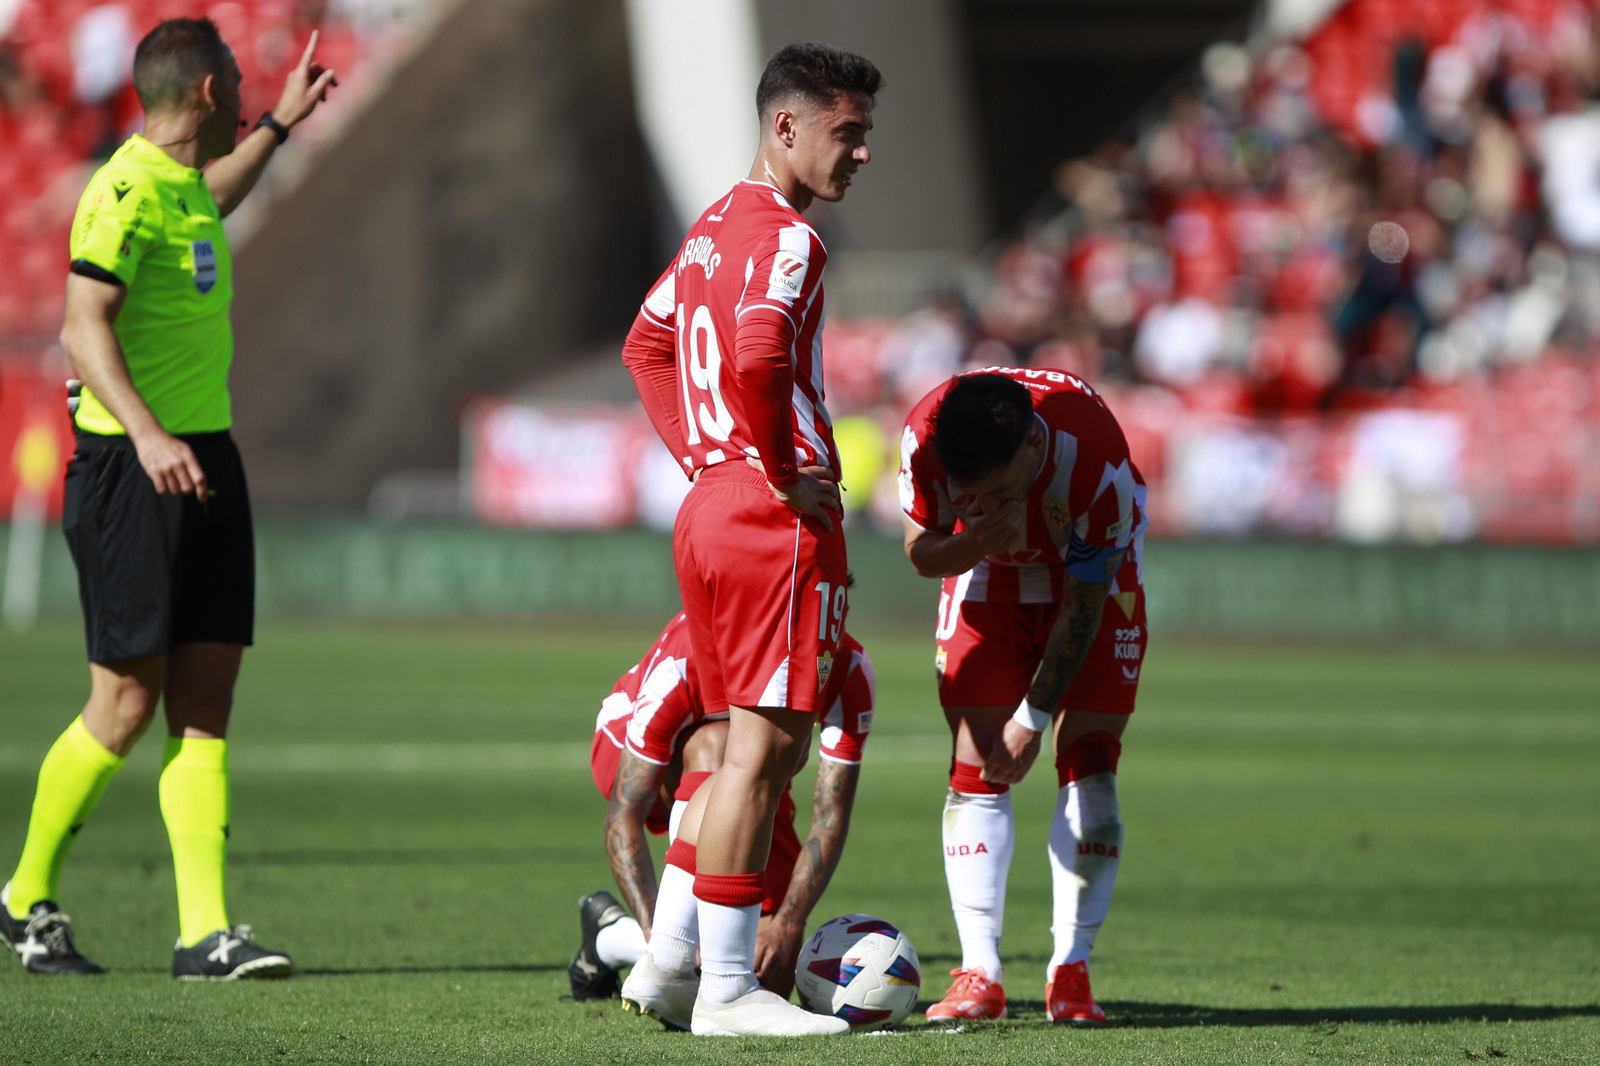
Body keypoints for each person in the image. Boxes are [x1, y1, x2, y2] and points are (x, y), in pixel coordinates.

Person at [0, 18, 336, 978]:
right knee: (122, 705)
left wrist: (279, 124)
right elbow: (79, 326)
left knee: (207, 699)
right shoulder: (120, 191)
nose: (242, 85)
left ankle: (204, 935)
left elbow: (210, 198)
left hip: (205, 463)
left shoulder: (183, 188)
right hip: (129, 470)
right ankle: (23, 895)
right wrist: (147, 434)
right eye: (235, 79)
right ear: (201, 92)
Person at [618, 42, 881, 1037]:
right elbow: (765, 349)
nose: (860, 154)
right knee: (763, 756)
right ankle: (730, 992)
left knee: (733, 743)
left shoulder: (706, 232)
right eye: (846, 133)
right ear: (786, 127)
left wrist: (708, 456)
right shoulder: (788, 239)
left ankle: (670, 960)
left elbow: (645, 344)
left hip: (711, 508)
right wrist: (772, 468)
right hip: (771, 520)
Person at [897, 367, 1149, 1024]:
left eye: (1001, 490)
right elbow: (922, 553)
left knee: (1090, 755)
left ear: (1034, 446)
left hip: (1087, 578)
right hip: (987, 575)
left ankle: (1073, 970)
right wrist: (975, 539)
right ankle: (978, 973)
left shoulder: (1097, 467)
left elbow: (1085, 609)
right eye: (970, 494)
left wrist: (1034, 716)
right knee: (977, 762)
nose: (989, 503)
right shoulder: (923, 440)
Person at [569, 612, 874, 1028]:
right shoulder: (685, 660)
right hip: (627, 746)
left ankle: (605, 939)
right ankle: (672, 961)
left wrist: (786, 923)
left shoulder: (849, 669)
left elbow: (830, 813)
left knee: (769, 975)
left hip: (753, 781)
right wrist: (662, 936)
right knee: (724, 745)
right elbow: (623, 817)